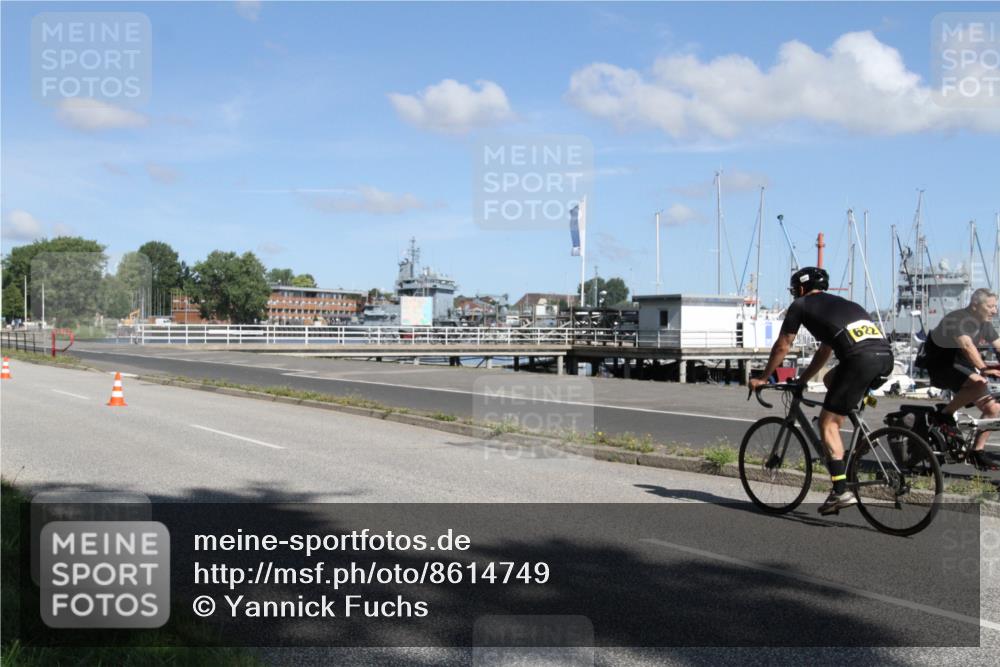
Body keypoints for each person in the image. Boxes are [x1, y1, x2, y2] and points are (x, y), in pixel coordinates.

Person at [749, 267, 894, 515]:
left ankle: (840, 492)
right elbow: (824, 352)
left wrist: (763, 377)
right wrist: (803, 379)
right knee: (830, 380)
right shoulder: (844, 304)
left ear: (802, 289)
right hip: (885, 358)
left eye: (795, 290)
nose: (795, 294)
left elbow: (783, 345)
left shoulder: (801, 305)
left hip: (859, 361)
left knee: (827, 423)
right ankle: (859, 434)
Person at [923, 288, 1000, 471]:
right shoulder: (957, 319)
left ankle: (977, 452)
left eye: (995, 307)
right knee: (978, 381)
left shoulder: (985, 323)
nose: (994, 311)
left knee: (993, 409)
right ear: (975, 306)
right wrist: (984, 369)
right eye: (990, 306)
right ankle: (943, 415)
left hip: (961, 367)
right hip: (941, 366)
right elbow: (966, 346)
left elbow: (998, 346)